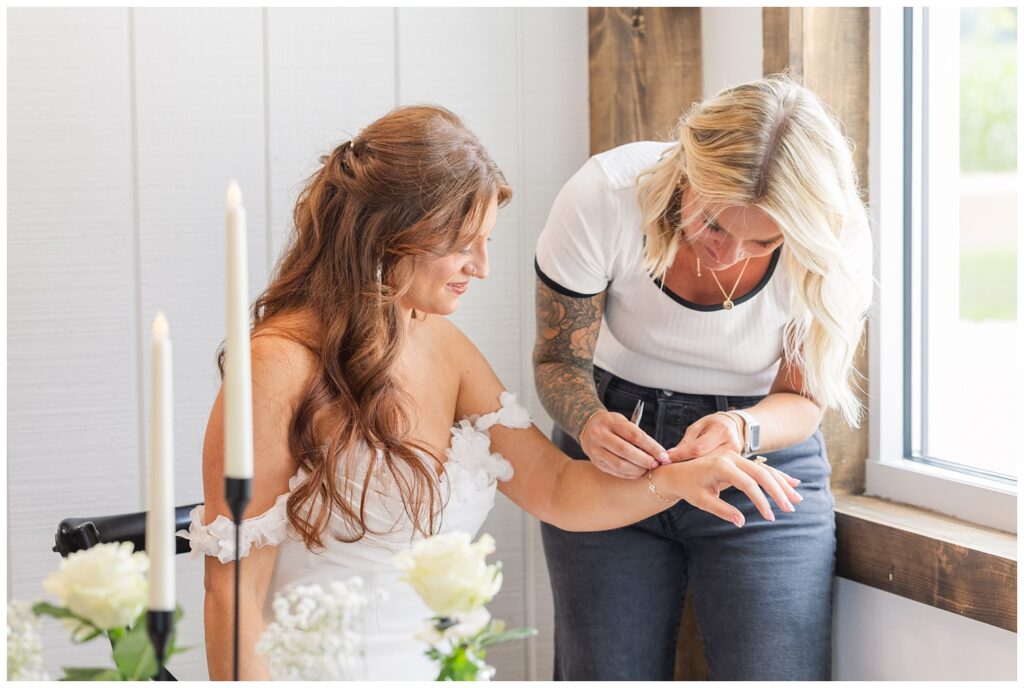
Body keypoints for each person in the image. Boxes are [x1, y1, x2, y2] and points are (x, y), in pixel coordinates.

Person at [178, 104, 802, 681]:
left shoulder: (441, 344)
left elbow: (555, 487)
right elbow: (232, 598)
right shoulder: (275, 367)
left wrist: (681, 479)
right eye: (460, 245)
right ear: (388, 234)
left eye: (487, 242)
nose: (481, 267)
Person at [533, 75, 873, 681]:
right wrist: (587, 423)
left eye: (764, 240)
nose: (731, 254)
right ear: (686, 172)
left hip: (759, 458)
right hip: (616, 440)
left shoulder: (833, 240)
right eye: (714, 224)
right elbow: (558, 360)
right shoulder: (607, 195)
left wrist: (741, 428)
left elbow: (800, 398)